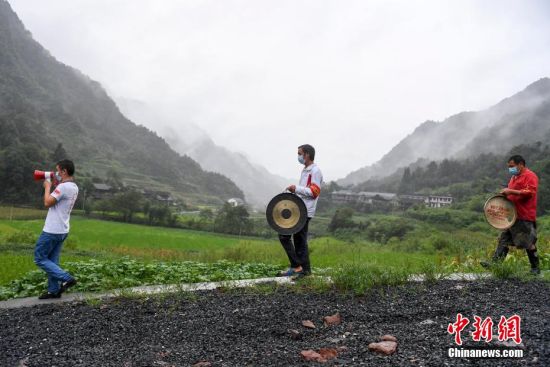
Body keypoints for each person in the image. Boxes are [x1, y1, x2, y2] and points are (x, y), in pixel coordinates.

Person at [481, 155, 540, 275]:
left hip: (524, 215)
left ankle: (535, 268)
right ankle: (495, 263)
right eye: (509, 167)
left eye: (512, 166)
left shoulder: (530, 176)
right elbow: (512, 193)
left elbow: (530, 193)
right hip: (512, 215)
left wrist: (511, 191)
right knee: (504, 239)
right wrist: (505, 194)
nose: (510, 169)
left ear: (521, 165)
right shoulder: (514, 177)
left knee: (528, 242)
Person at [34, 159, 79, 299]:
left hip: (52, 230)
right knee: (53, 261)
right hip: (62, 230)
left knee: (39, 258)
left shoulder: (63, 188)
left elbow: (47, 202)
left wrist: (47, 186)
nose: (56, 173)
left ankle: (66, 278)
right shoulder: (73, 187)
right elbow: (59, 197)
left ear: (64, 171)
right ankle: (53, 290)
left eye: (58, 171)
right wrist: (55, 184)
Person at [277, 144, 323, 280]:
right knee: (297, 239)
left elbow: (314, 192)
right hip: (299, 209)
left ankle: (299, 268)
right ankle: (301, 268)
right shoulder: (305, 170)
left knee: (289, 237)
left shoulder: (315, 171)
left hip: (305, 211)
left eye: (299, 153)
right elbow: (305, 191)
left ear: (307, 154)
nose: (298, 156)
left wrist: (295, 188)